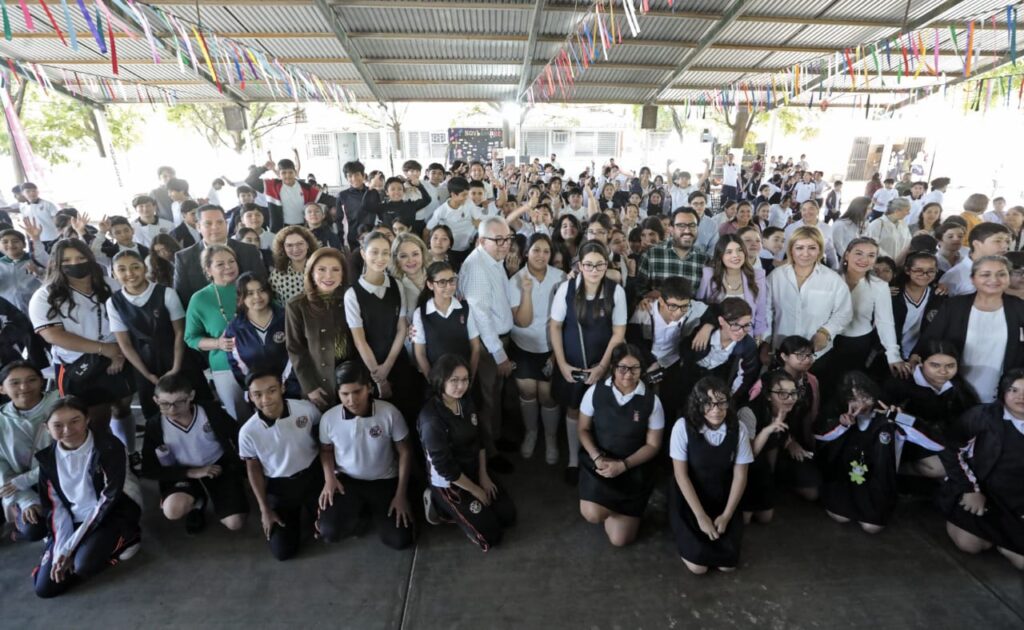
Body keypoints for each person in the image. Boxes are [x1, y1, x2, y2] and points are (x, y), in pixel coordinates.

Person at [28, 240, 136, 455]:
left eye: (80, 258)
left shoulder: (110, 285)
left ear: (90, 257)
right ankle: (104, 463)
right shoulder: (45, 295)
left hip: (119, 355)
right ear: (56, 264)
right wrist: (104, 349)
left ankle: (130, 453)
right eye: (66, 260)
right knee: (94, 420)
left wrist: (119, 351)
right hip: (77, 365)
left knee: (122, 407)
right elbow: (52, 334)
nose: (74, 264)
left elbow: (128, 319)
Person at [32, 397, 143, 598]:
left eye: (75, 421)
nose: (67, 430)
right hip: (76, 520)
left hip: (112, 513)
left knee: (84, 565)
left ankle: (128, 538)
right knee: (44, 589)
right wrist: (61, 550)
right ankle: (75, 553)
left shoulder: (108, 447)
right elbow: (55, 508)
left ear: (87, 420)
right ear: (47, 428)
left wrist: (70, 549)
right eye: (57, 425)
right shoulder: (47, 458)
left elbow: (108, 500)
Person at [815, 372, 942, 534]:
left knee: (871, 527)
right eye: (852, 398)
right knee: (840, 517)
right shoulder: (840, 417)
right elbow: (819, 435)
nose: (859, 403)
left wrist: (903, 419)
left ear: (874, 395)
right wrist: (841, 424)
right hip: (844, 483)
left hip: (877, 484)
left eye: (864, 396)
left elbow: (937, 445)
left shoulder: (890, 420)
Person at [418, 354, 516, 551]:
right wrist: (475, 489)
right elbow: (445, 468)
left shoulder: (465, 401)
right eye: (454, 380)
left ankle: (466, 507)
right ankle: (439, 506)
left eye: (464, 380)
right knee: (491, 537)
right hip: (450, 482)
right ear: (440, 380)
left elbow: (478, 438)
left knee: (508, 516)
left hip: (472, 470)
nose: (460, 386)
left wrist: (483, 476)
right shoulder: (432, 420)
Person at [550, 241, 628, 485]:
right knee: (573, 409)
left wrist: (603, 367)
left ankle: (598, 459)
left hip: (603, 361)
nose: (594, 270)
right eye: (588, 265)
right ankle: (573, 459)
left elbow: (618, 333)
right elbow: (556, 326)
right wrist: (562, 364)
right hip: (573, 361)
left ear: (607, 264)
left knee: (600, 411)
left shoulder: (616, 291)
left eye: (600, 264)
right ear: (579, 265)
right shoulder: (567, 289)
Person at [316, 362, 415, 550]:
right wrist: (329, 479)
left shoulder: (389, 413)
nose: (351, 400)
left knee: (400, 539)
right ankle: (364, 515)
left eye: (357, 392)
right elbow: (326, 450)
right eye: (345, 394)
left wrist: (401, 494)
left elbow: (405, 451)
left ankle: (378, 513)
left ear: (369, 388)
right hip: (347, 482)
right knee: (329, 532)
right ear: (338, 393)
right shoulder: (329, 418)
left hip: (384, 480)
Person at [107, 249, 209, 424]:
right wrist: (147, 375)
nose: (130, 273)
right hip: (144, 363)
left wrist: (176, 368)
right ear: (114, 274)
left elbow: (179, 332)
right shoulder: (114, 302)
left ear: (144, 269)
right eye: (122, 269)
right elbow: (125, 344)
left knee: (197, 405)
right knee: (155, 414)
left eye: (135, 267)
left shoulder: (166, 293)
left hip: (177, 355)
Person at [577, 343, 664, 546]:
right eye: (623, 367)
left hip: (632, 469)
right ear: (613, 367)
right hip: (600, 463)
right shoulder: (595, 392)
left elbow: (653, 445)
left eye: (635, 368)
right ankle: (605, 505)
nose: (628, 374)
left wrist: (623, 465)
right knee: (592, 514)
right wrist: (597, 457)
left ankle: (618, 510)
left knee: (620, 540)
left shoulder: (652, 402)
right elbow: (583, 429)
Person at [140, 373, 248, 534]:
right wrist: (190, 472)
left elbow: (238, 435)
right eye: (164, 404)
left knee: (235, 522)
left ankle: (223, 495)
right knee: (172, 510)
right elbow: (149, 468)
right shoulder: (155, 425)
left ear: (191, 396)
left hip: (218, 465)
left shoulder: (210, 412)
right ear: (156, 400)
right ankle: (196, 503)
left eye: (179, 402)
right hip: (183, 472)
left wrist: (241, 467)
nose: (172, 409)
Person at [938, 368, 1024, 570]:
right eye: (1013, 390)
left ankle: (1006, 542)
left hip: (1018, 501)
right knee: (971, 544)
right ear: (1002, 392)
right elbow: (950, 449)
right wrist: (970, 490)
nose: (1021, 397)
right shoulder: (981, 416)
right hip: (982, 493)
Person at [669, 377, 752, 574]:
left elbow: (740, 475)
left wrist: (727, 515)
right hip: (691, 497)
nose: (716, 409)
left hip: (723, 496)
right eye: (708, 403)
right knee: (698, 567)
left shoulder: (738, 428)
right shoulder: (683, 427)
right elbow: (681, 475)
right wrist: (700, 516)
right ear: (697, 404)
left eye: (721, 402)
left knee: (727, 565)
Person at [239, 371, 323, 561]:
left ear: (282, 388)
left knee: (329, 530)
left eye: (271, 391)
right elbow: (253, 470)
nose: (265, 399)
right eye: (257, 394)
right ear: (250, 396)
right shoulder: (247, 432)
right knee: (283, 552)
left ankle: (316, 515)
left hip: (313, 477)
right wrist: (264, 510)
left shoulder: (305, 409)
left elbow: (324, 445)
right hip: (280, 487)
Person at [917, 256, 1024, 403]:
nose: (994, 279)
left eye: (1001, 274)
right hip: (954, 387)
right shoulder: (954, 306)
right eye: (985, 274)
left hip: (1003, 391)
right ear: (973, 279)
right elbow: (930, 339)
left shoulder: (1019, 308)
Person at [458, 217, 518, 471]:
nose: (505, 245)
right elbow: (480, 314)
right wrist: (499, 353)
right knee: (486, 399)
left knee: (495, 394)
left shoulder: (492, 258)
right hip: (486, 344)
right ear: (481, 241)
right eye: (498, 240)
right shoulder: (477, 267)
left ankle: (496, 437)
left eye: (508, 239)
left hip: (497, 339)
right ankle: (489, 453)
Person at [508, 233, 566, 462]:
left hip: (551, 347)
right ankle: (531, 433)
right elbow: (522, 321)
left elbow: (565, 319)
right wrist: (526, 291)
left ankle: (551, 439)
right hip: (522, 346)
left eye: (546, 251)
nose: (541, 255)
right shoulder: (516, 280)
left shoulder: (560, 278)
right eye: (536, 250)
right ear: (526, 253)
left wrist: (555, 352)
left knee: (548, 396)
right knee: (527, 392)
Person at [346, 231, 417, 418]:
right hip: (370, 367)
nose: (380, 258)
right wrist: (379, 375)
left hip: (397, 360)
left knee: (406, 413)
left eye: (385, 253)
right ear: (363, 253)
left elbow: (401, 327)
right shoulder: (352, 294)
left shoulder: (396, 285)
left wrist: (388, 365)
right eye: (374, 252)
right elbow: (360, 341)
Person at [883, 341, 978, 478]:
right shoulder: (901, 383)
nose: (943, 371)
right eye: (935, 365)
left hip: (942, 439)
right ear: (921, 361)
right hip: (910, 441)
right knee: (939, 468)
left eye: (950, 366)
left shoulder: (957, 385)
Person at [766, 227, 853, 376]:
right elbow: (766, 311)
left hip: (818, 355)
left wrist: (826, 332)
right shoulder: (776, 277)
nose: (805, 253)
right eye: (799, 248)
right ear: (791, 250)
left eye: (812, 248)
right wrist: (765, 343)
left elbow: (844, 313)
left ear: (819, 251)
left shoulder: (833, 280)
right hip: (782, 352)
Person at [184, 245, 249, 421]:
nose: (228, 267)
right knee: (239, 418)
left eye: (231, 261)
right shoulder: (200, 298)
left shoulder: (250, 287)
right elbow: (190, 338)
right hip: (225, 366)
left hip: (259, 361)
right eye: (220, 264)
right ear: (208, 270)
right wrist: (217, 344)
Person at [285, 247, 353, 410]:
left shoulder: (351, 299)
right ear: (311, 273)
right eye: (321, 270)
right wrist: (310, 387)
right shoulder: (297, 305)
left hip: (350, 377)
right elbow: (295, 348)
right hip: (318, 380)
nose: (328, 276)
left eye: (335, 270)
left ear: (343, 274)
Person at [834, 237, 907, 381]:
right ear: (847, 254)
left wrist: (893, 354)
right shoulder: (830, 278)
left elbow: (885, 321)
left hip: (858, 344)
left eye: (871, 255)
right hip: (826, 341)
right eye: (859, 253)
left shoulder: (879, 285)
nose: (864, 259)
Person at [0, 361, 58, 542]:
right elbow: (3, 470)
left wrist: (24, 481)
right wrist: (27, 501)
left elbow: (70, 456)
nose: (24, 387)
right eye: (15, 383)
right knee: (34, 528)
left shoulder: (61, 405)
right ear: (2, 389)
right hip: (26, 487)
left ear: (42, 382)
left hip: (63, 479)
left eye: (31, 380)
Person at [173, 205, 267, 306]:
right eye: (208, 223)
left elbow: (262, 285)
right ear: (198, 227)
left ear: (226, 223)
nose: (215, 227)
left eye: (220, 222)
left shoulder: (249, 251)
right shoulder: (184, 258)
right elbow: (183, 297)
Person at [738, 370, 799, 524]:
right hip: (742, 468)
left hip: (761, 466)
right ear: (767, 395)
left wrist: (769, 481)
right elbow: (749, 454)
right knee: (744, 520)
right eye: (783, 394)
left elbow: (775, 447)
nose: (790, 399)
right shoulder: (748, 412)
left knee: (765, 518)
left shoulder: (788, 410)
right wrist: (767, 430)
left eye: (793, 393)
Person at [225, 272, 299, 398]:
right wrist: (255, 391)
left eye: (261, 291)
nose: (257, 296)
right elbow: (237, 366)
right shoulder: (235, 329)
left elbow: (297, 353)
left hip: (292, 388)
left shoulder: (287, 317)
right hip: (259, 397)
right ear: (241, 297)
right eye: (250, 293)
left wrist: (285, 383)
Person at [412, 260, 481, 380]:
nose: (449, 286)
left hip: (463, 377)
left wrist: (469, 378)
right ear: (430, 285)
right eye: (442, 282)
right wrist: (433, 382)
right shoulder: (421, 313)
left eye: (452, 281)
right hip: (437, 378)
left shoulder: (464, 308)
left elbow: (475, 347)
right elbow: (420, 353)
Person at [697, 235, 768, 342]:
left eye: (739, 250)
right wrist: (707, 327)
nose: (736, 255)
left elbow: (761, 311)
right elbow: (699, 307)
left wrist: (757, 338)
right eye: (729, 252)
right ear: (720, 256)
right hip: (714, 336)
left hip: (745, 336)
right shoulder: (709, 275)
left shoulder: (757, 277)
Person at [637, 207, 708, 294]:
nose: (687, 230)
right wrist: (647, 297)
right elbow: (639, 290)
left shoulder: (705, 260)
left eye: (692, 225)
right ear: (671, 229)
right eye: (681, 226)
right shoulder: (651, 255)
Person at [245, 157, 325, 232]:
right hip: (280, 229)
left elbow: (326, 198)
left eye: (290, 172)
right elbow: (250, 180)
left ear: (295, 172)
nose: (287, 175)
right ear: (279, 174)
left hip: (303, 228)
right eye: (284, 173)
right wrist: (264, 168)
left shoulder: (305, 187)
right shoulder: (271, 185)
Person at [891, 251, 945, 363]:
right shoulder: (893, 294)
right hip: (891, 354)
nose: (925, 275)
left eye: (931, 271)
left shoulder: (939, 296)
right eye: (918, 270)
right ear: (907, 270)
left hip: (922, 355)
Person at [939, 222, 1012, 296]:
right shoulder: (954, 276)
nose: (1005, 246)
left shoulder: (1010, 270)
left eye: (1007, 241)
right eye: (998, 241)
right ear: (976, 244)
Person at [426, 177, 479, 269]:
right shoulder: (441, 211)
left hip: (469, 247)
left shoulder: (469, 203)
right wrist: (426, 248)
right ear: (453, 195)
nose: (467, 198)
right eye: (464, 195)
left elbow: (478, 221)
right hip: (451, 250)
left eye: (467, 194)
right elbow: (427, 230)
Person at [335, 160, 381, 249]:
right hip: (352, 239)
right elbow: (339, 220)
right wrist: (342, 242)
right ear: (346, 178)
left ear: (363, 175)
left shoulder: (373, 193)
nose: (354, 178)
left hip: (372, 237)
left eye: (356, 174)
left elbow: (379, 214)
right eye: (350, 176)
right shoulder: (343, 196)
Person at [269, 225, 318, 306]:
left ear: (307, 244)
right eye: (289, 245)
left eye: (300, 243)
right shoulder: (277, 275)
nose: (295, 249)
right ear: (283, 248)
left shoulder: (320, 269)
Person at [391, 232, 429, 316]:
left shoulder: (436, 275)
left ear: (422, 254)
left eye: (415, 254)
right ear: (396, 259)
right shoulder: (394, 287)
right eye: (403, 256)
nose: (410, 260)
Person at [18, 182, 60, 250]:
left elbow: (58, 221)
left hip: (52, 237)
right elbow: (26, 225)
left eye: (34, 190)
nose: (32, 193)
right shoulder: (23, 207)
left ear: (38, 191)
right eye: (28, 191)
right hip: (35, 239)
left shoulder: (48, 204)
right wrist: (28, 239)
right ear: (23, 193)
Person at [830, 196, 870, 264]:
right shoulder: (840, 224)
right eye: (869, 208)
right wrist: (850, 260)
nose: (871, 210)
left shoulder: (861, 223)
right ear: (861, 208)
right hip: (843, 262)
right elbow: (837, 246)